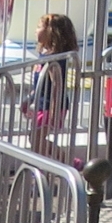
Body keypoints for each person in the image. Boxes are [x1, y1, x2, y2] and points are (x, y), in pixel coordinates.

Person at [26, 12, 78, 161]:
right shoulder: (44, 55)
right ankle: (69, 161)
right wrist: (29, 99)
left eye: (38, 27)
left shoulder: (54, 59)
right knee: (34, 138)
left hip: (51, 106)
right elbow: (39, 84)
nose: (36, 31)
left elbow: (56, 85)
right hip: (42, 105)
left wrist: (55, 112)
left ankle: (46, 172)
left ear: (50, 31)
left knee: (37, 141)